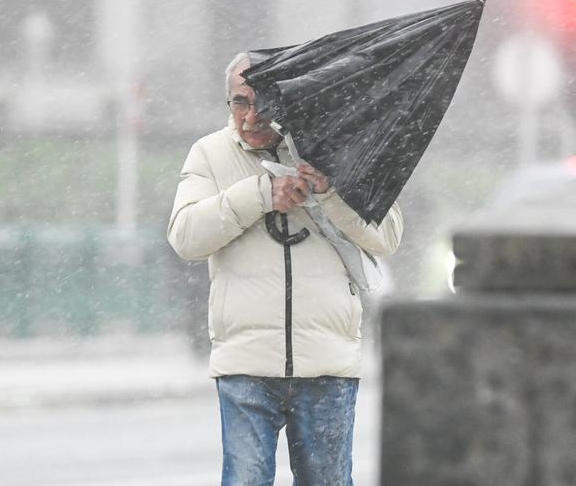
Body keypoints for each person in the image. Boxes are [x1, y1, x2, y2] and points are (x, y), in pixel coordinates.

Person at [167, 52, 403, 485]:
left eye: (264, 103)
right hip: (246, 363)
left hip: (327, 365)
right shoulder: (210, 154)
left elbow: (386, 236)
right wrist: (261, 194)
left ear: (289, 101)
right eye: (239, 102)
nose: (251, 116)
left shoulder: (335, 148)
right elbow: (185, 236)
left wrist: (330, 191)